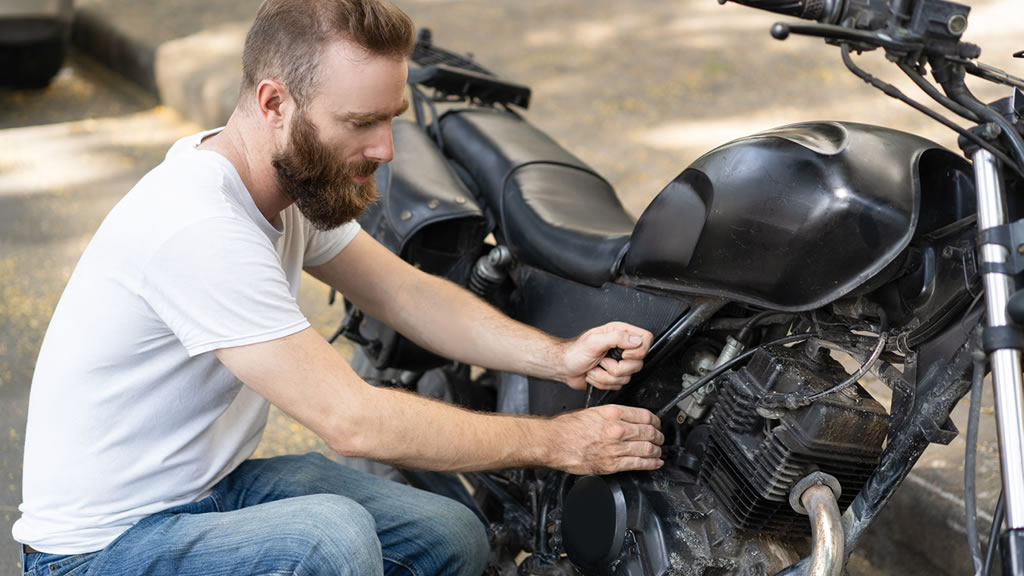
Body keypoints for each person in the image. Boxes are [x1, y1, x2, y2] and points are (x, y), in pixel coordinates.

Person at [12, 0, 665, 574]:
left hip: (208, 489)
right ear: (274, 104)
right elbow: (353, 422)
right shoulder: (197, 227)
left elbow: (405, 294)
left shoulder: (286, 183)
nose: (384, 148)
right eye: (359, 122)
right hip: (97, 551)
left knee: (449, 535)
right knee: (328, 542)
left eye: (392, 118)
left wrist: (555, 354)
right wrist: (560, 443)